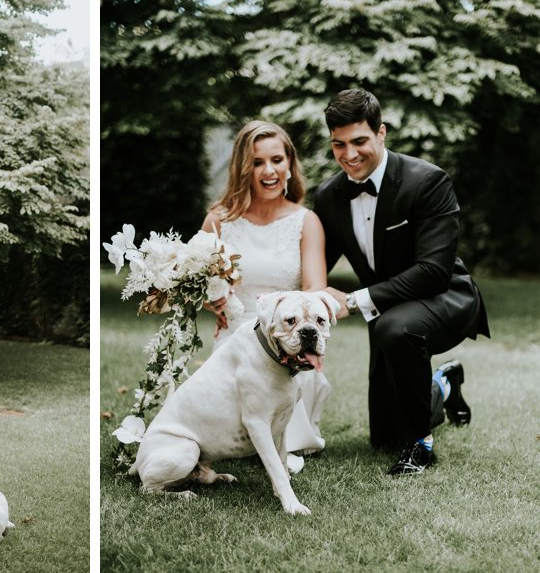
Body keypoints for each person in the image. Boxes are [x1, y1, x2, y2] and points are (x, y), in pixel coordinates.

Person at [313, 88, 490, 475]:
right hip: (391, 310)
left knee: (395, 329)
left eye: (359, 141)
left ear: (381, 133)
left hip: (446, 298)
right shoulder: (328, 196)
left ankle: (422, 445)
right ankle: (444, 383)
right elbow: (317, 268)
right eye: (338, 145)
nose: (349, 154)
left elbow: (433, 271)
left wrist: (354, 300)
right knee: (385, 436)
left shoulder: (427, 181)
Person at [203, 120, 330, 473]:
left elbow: (314, 292)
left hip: (288, 336)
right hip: (234, 342)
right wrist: (210, 300)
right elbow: (201, 288)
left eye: (277, 159)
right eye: (258, 162)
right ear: (243, 169)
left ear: (290, 163)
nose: (269, 170)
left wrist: (291, 334)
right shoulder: (218, 221)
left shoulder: (306, 222)